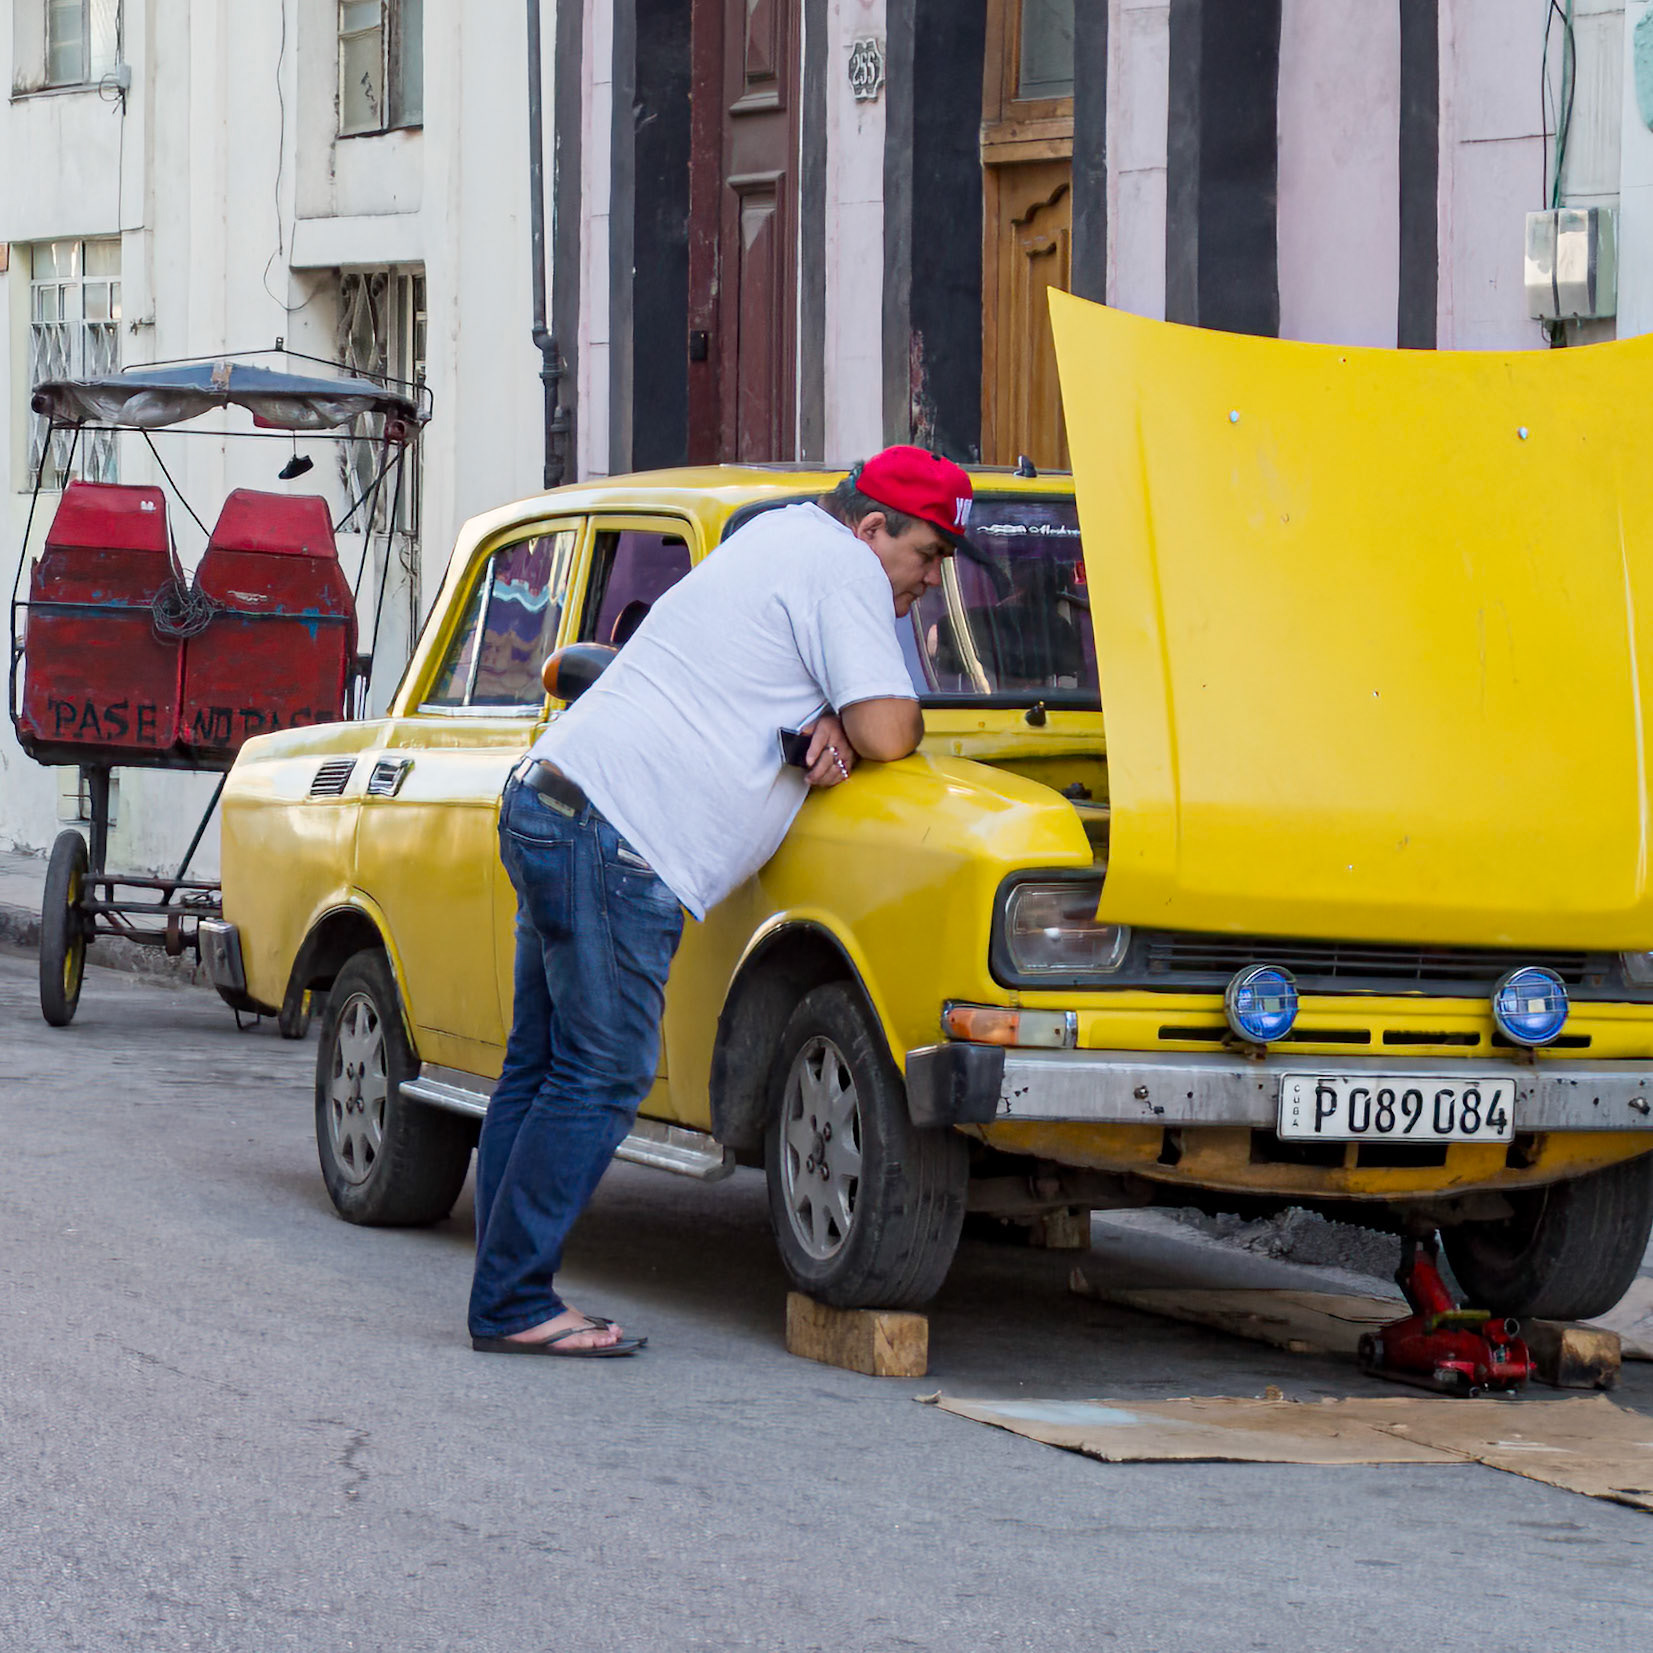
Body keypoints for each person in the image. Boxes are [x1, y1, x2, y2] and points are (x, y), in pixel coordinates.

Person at [468, 446, 977, 1356]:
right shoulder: (842, 569)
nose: (928, 583)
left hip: (555, 798)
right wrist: (846, 719)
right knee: (601, 1073)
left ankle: (503, 1283)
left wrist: (822, 719)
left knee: (542, 1065)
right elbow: (889, 726)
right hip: (620, 838)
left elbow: (781, 691)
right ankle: (511, 1302)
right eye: (926, 555)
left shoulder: (776, 535)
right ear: (871, 529)